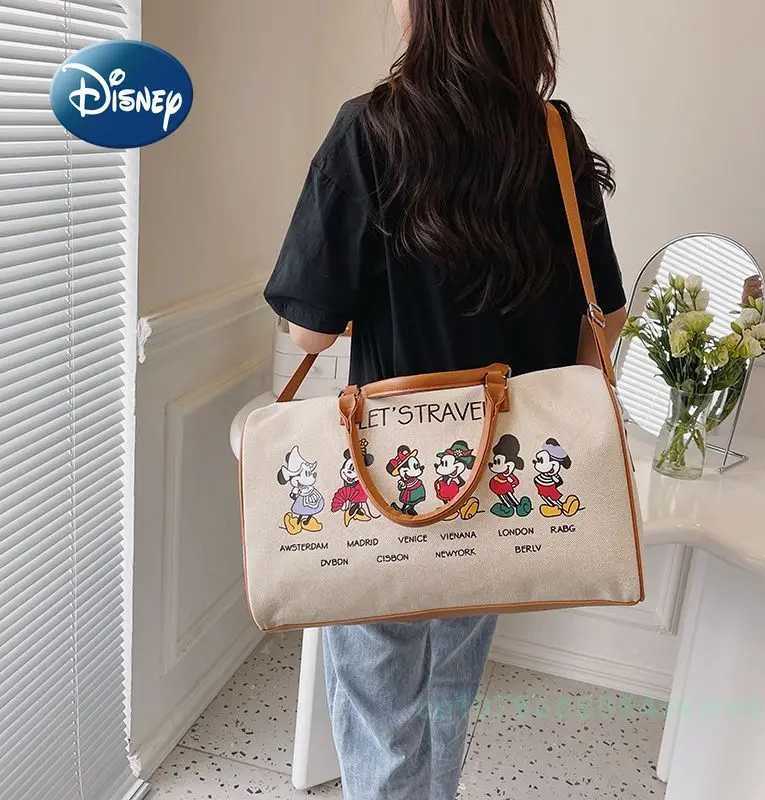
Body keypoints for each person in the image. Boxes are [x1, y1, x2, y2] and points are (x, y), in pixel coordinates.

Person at [264, 2, 628, 797]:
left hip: (388, 473)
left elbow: (309, 331)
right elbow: (604, 314)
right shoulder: (552, 138)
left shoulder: (371, 130)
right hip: (508, 473)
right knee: (452, 679)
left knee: (378, 698)